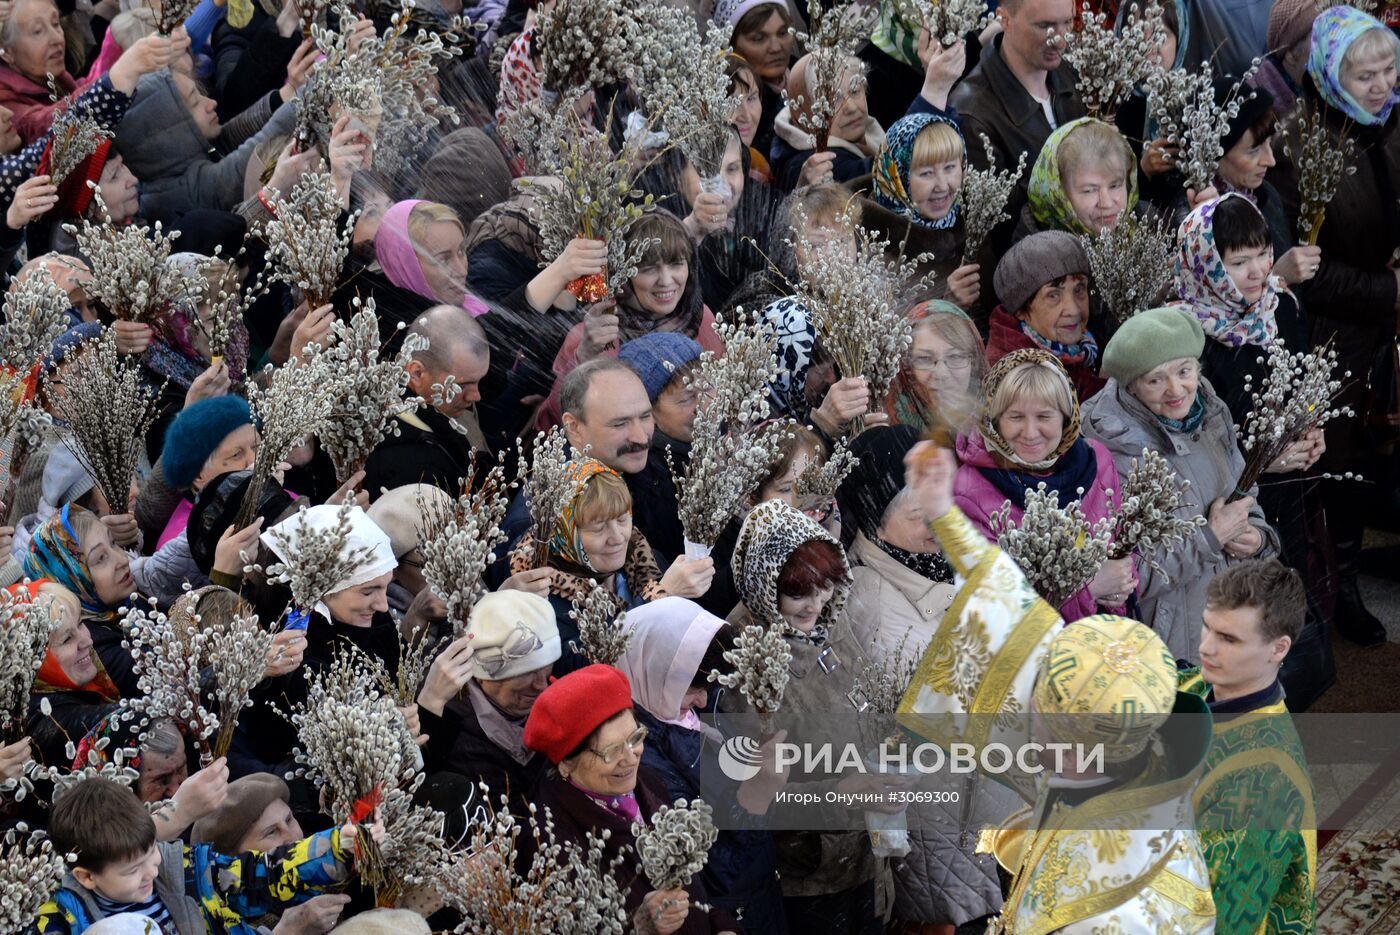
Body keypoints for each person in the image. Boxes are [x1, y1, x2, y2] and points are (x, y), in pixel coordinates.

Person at [899, 442, 1218, 933]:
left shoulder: (1112, 912)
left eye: (1040, 716)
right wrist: (944, 512)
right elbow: (1007, 598)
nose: (1027, 716)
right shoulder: (1126, 753)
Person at [839, 426, 1005, 934]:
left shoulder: (940, 563)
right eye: (919, 514)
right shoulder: (865, 602)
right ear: (874, 519)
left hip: (980, 807)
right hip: (942, 821)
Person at [1268, 5, 1400, 649]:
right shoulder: (1297, 140)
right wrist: (1390, 289)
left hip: (1387, 324)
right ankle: (1340, 582)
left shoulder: (1395, 119)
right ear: (1328, 72)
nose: (1381, 85)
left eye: (1388, 68)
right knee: (1341, 460)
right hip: (1333, 330)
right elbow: (1306, 271)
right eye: (1365, 74)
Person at [1173, 194, 1333, 705]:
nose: (1257, 270)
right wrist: (1262, 460)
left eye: (1263, 253)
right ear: (1206, 263)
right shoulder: (1188, 331)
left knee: (1288, 610)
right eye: (1238, 262)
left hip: (1290, 487)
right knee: (1243, 621)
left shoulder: (1279, 305)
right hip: (1231, 503)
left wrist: (1312, 430)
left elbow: (1303, 379)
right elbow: (1194, 434)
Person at [719, 498, 886, 934]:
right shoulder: (742, 663)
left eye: (825, 585)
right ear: (764, 585)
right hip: (808, 880)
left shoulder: (833, 623)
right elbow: (750, 802)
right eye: (798, 592)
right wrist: (840, 796)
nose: (815, 604)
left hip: (867, 853)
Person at [1081, 306, 1279, 663]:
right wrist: (1209, 538)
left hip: (1233, 616)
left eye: (1184, 371)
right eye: (1155, 379)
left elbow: (1244, 494)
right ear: (1131, 384)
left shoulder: (1211, 411)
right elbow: (1128, 577)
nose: (1176, 390)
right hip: (1168, 646)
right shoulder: (1110, 449)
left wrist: (1259, 537)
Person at [523, 664, 741, 934]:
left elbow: (693, 885)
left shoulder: (647, 784)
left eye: (635, 738)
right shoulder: (552, 847)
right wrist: (638, 927)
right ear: (566, 762)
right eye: (611, 751)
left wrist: (720, 924)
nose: (631, 757)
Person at [614, 597, 787, 933]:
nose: (704, 700)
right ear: (654, 670)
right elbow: (711, 866)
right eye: (691, 688)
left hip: (759, 897)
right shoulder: (641, 758)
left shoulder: (686, 714)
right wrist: (756, 797)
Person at [35, 774, 377, 934]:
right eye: (132, 870)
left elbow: (263, 875)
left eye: (152, 852)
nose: (151, 873)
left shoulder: (184, 870)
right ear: (85, 876)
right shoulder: (59, 921)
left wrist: (338, 846)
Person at [953, 350, 1134, 622]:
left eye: (1044, 416)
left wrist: (1123, 583)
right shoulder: (970, 488)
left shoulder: (1096, 461)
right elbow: (993, 601)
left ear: (1065, 417)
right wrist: (1087, 590)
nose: (1029, 432)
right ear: (994, 420)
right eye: (1015, 417)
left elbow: (1121, 544)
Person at [1190, 559, 1317, 933]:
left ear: (1278, 648)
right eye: (1206, 627)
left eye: (1228, 639)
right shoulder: (1197, 685)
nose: (1206, 648)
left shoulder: (1267, 782)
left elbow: (1224, 920)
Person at [508, 459, 712, 674]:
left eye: (623, 519)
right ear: (563, 533)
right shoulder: (541, 598)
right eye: (598, 528)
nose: (617, 538)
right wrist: (661, 600)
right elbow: (590, 671)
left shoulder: (647, 560)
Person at [538, 210, 722, 430]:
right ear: (624, 276)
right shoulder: (596, 333)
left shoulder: (699, 317)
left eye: (676, 264)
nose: (665, 280)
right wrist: (584, 357)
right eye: (648, 268)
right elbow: (557, 423)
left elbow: (723, 395)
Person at [949, 0, 1085, 244]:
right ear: (1004, 20)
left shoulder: (1074, 73)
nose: (1061, 40)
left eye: (1067, 23)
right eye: (1045, 26)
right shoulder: (971, 113)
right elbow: (998, 230)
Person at [419, 591, 558, 820]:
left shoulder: (551, 694)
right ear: (483, 676)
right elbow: (517, 823)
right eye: (527, 673)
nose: (541, 686)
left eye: (548, 668)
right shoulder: (455, 733)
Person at [0, 0, 188, 145]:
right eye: (38, 31)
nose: (56, 38)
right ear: (6, 52)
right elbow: (45, 126)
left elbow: (86, 88)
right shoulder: (6, 102)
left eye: (56, 24)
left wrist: (122, 46)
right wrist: (124, 69)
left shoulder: (51, 79)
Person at [361, 305, 494, 498]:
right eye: (463, 385)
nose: (475, 396)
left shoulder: (436, 408)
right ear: (417, 373)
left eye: (480, 381)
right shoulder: (410, 468)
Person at [866, 113, 987, 319]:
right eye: (926, 173)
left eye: (950, 168)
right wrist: (947, 305)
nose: (942, 185)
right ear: (897, 177)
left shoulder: (977, 219)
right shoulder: (873, 248)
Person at [24, 504, 143, 696]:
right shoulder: (92, 650)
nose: (122, 559)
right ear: (72, 579)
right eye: (100, 558)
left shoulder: (124, 603)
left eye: (113, 543)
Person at [616, 332, 705, 563]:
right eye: (687, 399)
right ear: (649, 410)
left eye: (706, 390)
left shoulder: (727, 442)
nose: (702, 407)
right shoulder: (649, 480)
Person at [986, 230, 1104, 400]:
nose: (1074, 309)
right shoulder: (1016, 381)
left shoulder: (1084, 346)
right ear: (1020, 309)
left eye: (1079, 290)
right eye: (1053, 296)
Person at [19, 581, 121, 767]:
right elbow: (125, 720)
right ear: (32, 659)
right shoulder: (44, 720)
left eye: (81, 623)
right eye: (66, 639)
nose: (87, 641)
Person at [770, 51, 885, 191]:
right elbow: (893, 168)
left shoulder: (866, 130)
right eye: (833, 100)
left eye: (854, 91)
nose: (851, 107)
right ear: (806, 108)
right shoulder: (818, 166)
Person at [1019, 117, 1139, 239]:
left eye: (1115, 186)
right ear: (1057, 194)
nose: (1106, 203)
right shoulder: (1033, 253)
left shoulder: (1149, 224)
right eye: (1089, 190)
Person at [883, 299, 986, 432]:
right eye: (925, 359)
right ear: (905, 367)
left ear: (974, 363)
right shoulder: (884, 437)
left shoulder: (1003, 427)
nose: (941, 373)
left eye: (955, 357)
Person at [714, 0, 795, 162]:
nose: (776, 47)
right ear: (730, 45)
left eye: (782, 33)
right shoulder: (720, 99)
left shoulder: (811, 76)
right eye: (759, 38)